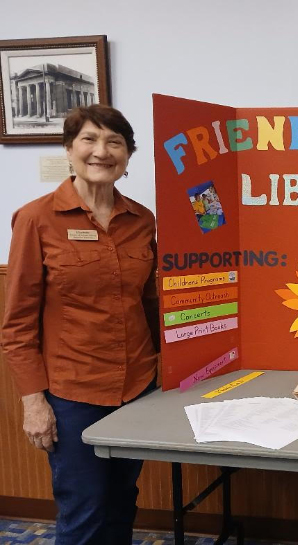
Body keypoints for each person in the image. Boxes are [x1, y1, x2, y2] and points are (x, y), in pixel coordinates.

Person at [1, 105, 159, 545]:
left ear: (128, 155)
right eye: (89, 139)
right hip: (74, 394)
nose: (101, 151)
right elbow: (16, 324)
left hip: (137, 386)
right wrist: (34, 403)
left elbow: (151, 304)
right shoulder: (36, 219)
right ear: (69, 149)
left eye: (115, 142)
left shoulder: (141, 221)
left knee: (122, 501)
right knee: (84, 509)